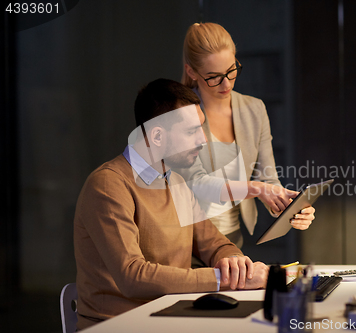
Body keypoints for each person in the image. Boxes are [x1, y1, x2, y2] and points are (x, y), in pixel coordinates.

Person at [73, 78, 268, 330]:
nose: (203, 139)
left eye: (201, 127)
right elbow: (132, 276)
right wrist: (222, 279)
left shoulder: (174, 181)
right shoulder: (108, 185)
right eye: (191, 131)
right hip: (119, 325)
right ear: (156, 135)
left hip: (171, 317)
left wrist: (233, 262)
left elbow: (214, 243)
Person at [177, 22, 315, 248]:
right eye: (214, 76)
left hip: (231, 239)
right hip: (185, 240)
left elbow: (268, 178)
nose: (226, 83)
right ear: (192, 71)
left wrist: (292, 207)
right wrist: (258, 188)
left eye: (231, 70)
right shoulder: (180, 112)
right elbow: (197, 184)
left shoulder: (254, 109)